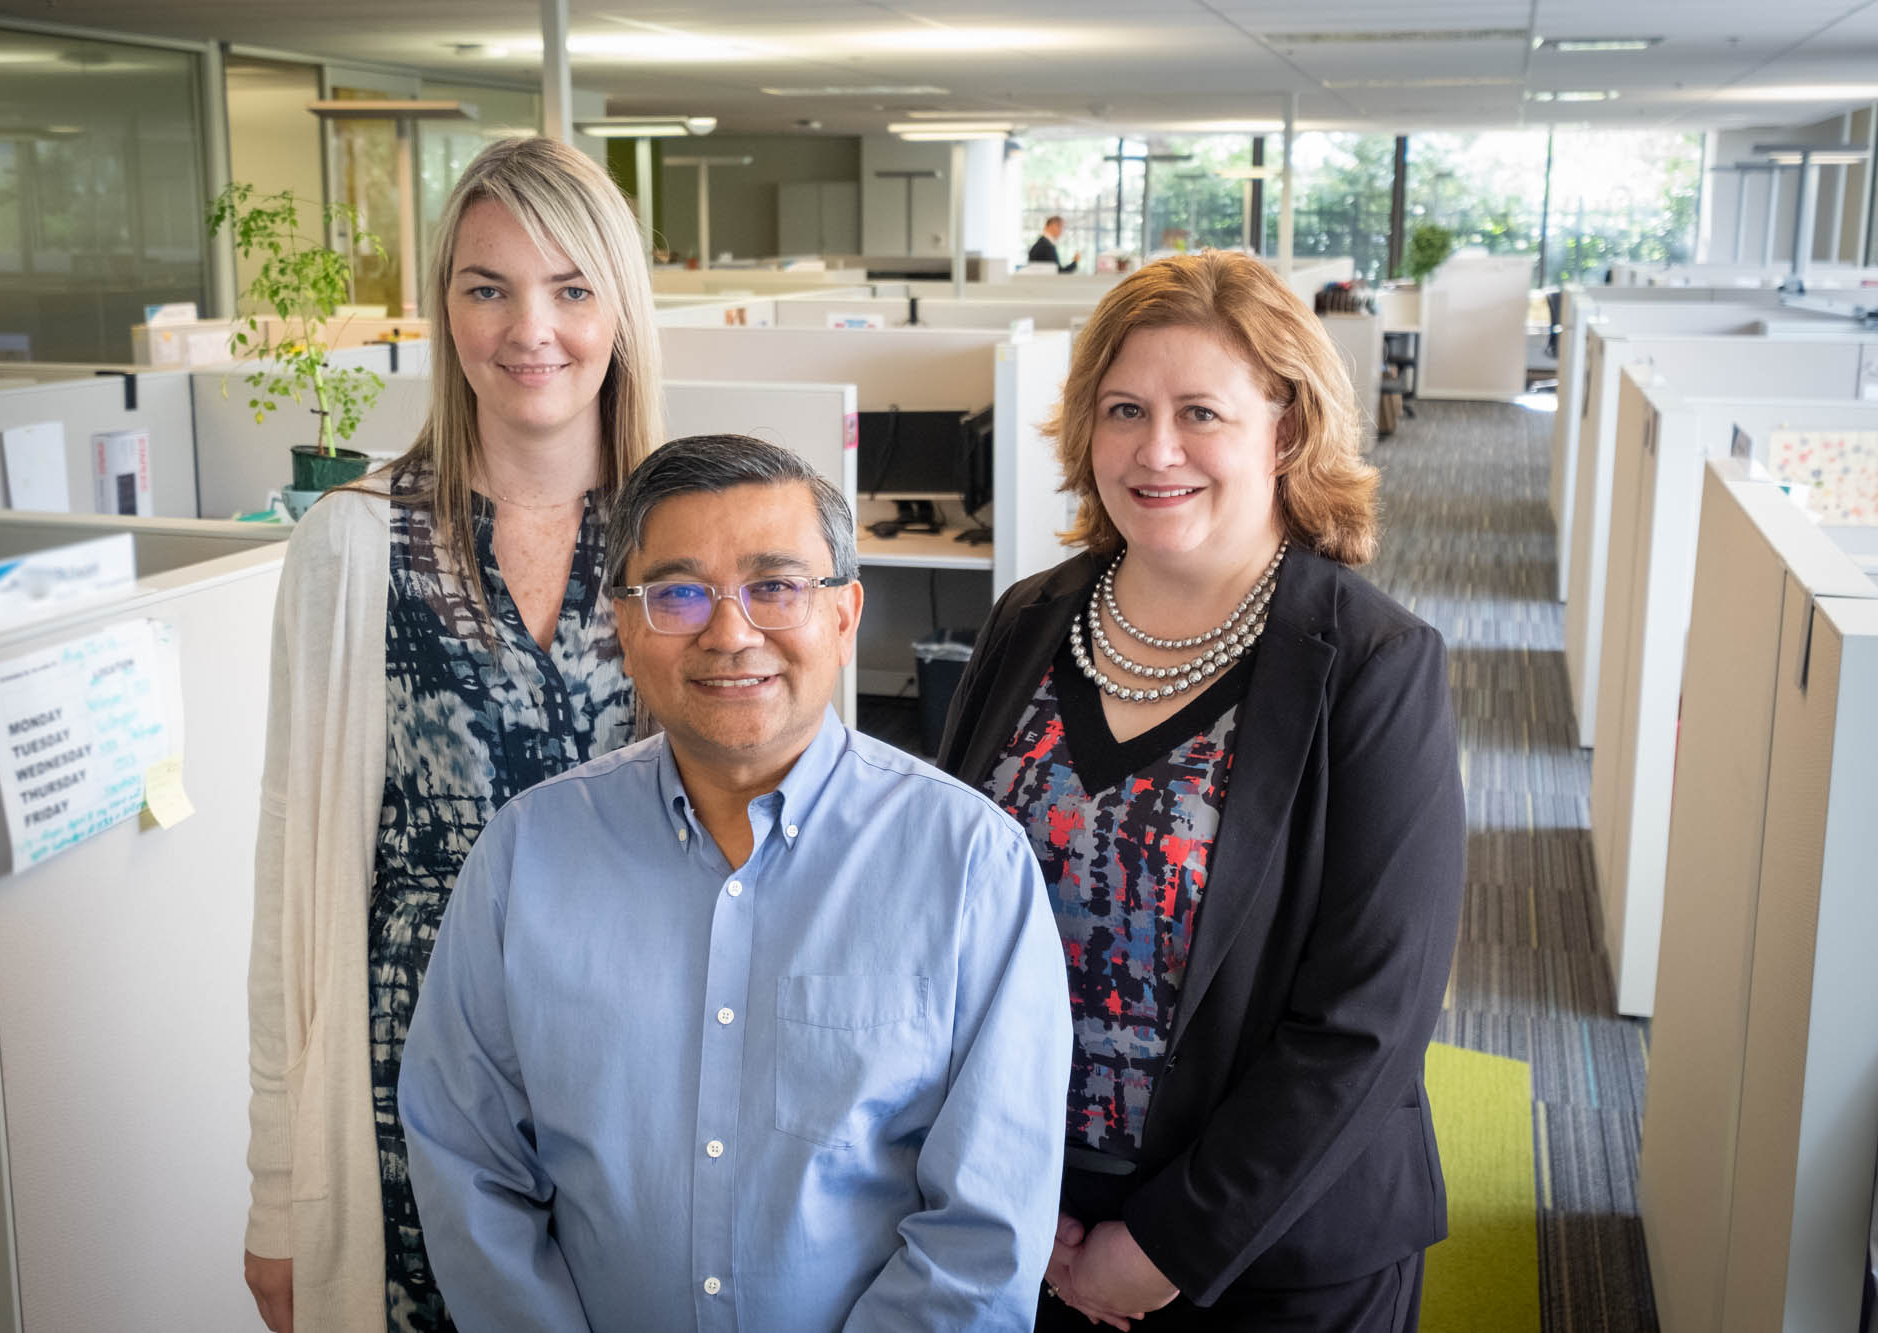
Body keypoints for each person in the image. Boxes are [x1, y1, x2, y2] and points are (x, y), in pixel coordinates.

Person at [398, 435, 1074, 1332]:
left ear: (845, 616)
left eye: (777, 586)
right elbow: (466, 1163)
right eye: (678, 592)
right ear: (627, 627)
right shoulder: (526, 857)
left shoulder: (970, 867)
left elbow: (984, 1230)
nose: (730, 631)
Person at [938, 249, 1466, 1332]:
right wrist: (998, 1186)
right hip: (1028, 1217)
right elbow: (940, 916)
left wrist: (1166, 1245)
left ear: (1285, 426)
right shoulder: (1027, 622)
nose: (1156, 449)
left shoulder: (1368, 664)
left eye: (1200, 413)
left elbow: (1367, 1016)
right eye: (1123, 408)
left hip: (1269, 1244)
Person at [242, 135, 664, 1333]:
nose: (530, 328)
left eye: (571, 287)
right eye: (487, 287)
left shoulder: (691, 545)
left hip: (641, 1095)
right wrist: (281, 1194)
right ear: (444, 310)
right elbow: (292, 893)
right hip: (408, 1104)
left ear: (620, 310)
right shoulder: (353, 543)